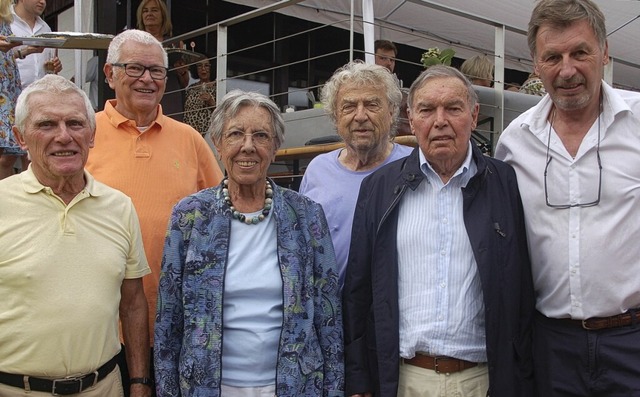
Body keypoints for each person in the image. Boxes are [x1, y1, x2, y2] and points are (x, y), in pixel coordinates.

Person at [343, 65, 534, 397]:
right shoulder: (379, 189)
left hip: (483, 380)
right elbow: (358, 290)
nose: (440, 121)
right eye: (427, 110)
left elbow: (524, 287)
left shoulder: (506, 183)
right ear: (411, 119)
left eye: (453, 108)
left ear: (474, 116)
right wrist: (359, 376)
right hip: (405, 380)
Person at [154, 89, 344, 396]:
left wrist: (334, 390)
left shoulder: (306, 215)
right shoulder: (190, 216)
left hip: (294, 386)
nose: (248, 146)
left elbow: (328, 316)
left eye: (260, 135)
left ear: (275, 146)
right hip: (207, 387)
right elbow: (169, 318)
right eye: (235, 134)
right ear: (217, 144)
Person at [494, 0, 640, 395]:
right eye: (553, 57)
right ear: (536, 64)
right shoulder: (514, 141)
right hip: (550, 347)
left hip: (632, 341)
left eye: (580, 52)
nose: (568, 70)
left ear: (605, 51)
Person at [84, 29, 223, 394]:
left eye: (157, 71)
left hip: (177, 322)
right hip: (103, 326)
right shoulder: (83, 136)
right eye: (135, 68)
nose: (147, 78)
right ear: (110, 74)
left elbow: (222, 215)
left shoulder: (190, 139)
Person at [0, 74, 151, 397]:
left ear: (92, 135)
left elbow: (134, 303)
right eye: (46, 125)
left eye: (75, 123)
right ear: (20, 137)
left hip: (104, 387)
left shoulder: (119, 207)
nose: (64, 137)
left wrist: (139, 382)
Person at [298, 61, 412, 288]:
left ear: (391, 113)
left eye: (372, 104)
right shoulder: (317, 170)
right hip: (330, 309)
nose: (360, 116)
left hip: (388, 309)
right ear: (335, 118)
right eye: (349, 107)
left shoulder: (412, 167)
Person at [11, 0, 62, 87]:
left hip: (39, 95)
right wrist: (24, 51)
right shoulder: (5, 22)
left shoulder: (46, 29)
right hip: (9, 95)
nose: (43, 2)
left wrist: (56, 66)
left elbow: (50, 66)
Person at [183, 57, 216, 136]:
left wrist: (212, 103)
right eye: (199, 66)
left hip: (207, 136)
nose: (203, 69)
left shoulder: (219, 87)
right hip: (189, 134)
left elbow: (226, 114)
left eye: (206, 66)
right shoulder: (190, 89)